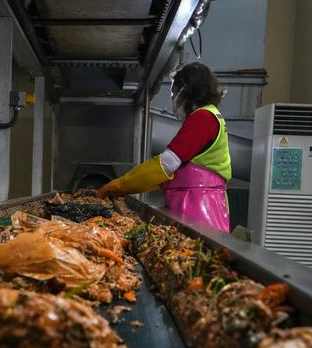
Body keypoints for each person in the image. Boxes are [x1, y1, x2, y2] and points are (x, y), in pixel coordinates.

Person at [97, 62, 232, 232]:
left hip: (200, 210)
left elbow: (167, 163)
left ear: (185, 91)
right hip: (202, 205)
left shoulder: (203, 118)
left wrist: (119, 185)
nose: (173, 100)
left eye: (174, 93)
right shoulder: (210, 115)